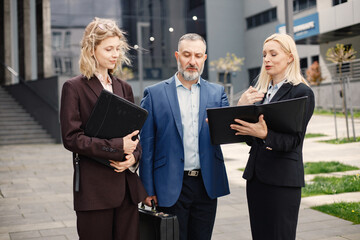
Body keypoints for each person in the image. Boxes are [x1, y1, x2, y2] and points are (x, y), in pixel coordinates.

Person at [60, 17, 147, 240]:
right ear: (91, 50)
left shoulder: (124, 87)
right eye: (109, 49)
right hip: (94, 192)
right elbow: (72, 139)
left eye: (118, 48)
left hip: (126, 190)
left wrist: (133, 157)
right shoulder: (73, 88)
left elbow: (135, 136)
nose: (115, 54)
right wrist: (118, 147)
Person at [139, 33, 230, 240]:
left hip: (206, 185)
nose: (192, 61)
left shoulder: (217, 93)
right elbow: (147, 146)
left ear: (204, 58)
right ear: (177, 56)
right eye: (187, 55)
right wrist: (146, 189)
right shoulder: (154, 94)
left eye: (198, 56)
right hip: (169, 185)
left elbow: (228, 131)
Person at [230, 33, 315, 240]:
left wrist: (265, 134)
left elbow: (294, 141)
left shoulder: (301, 92)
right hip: (256, 178)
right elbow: (249, 136)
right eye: (264, 55)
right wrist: (241, 107)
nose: (266, 59)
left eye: (273, 54)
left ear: (290, 57)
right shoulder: (261, 93)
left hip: (283, 180)